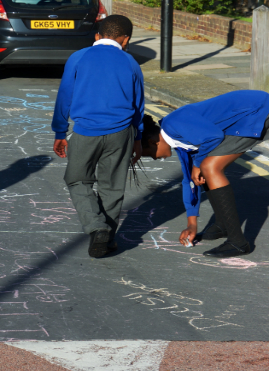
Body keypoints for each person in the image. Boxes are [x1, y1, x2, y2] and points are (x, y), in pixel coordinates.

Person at [51, 15, 144, 258]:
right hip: (122, 132)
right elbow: (138, 104)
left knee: (77, 180)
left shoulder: (78, 57)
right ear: (126, 40)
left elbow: (65, 96)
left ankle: (97, 227)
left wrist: (60, 131)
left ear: (97, 36)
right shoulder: (131, 62)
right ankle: (106, 239)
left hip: (86, 132)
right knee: (112, 187)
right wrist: (138, 138)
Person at [140, 90, 269, 258]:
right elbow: (190, 182)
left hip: (257, 110)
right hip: (251, 111)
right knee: (203, 170)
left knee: (209, 166)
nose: (155, 159)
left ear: (153, 142)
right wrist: (191, 223)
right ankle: (222, 225)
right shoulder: (178, 141)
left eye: (150, 154)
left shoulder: (173, 125)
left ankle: (238, 242)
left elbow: (213, 137)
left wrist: (197, 164)